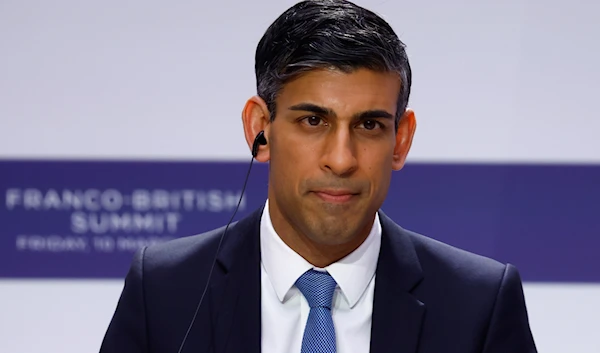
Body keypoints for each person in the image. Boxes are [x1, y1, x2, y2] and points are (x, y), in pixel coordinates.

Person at [100, 0, 537, 352]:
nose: (341, 159)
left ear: (401, 140)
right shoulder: (164, 290)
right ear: (260, 130)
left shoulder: (479, 304)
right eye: (313, 121)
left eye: (369, 125)